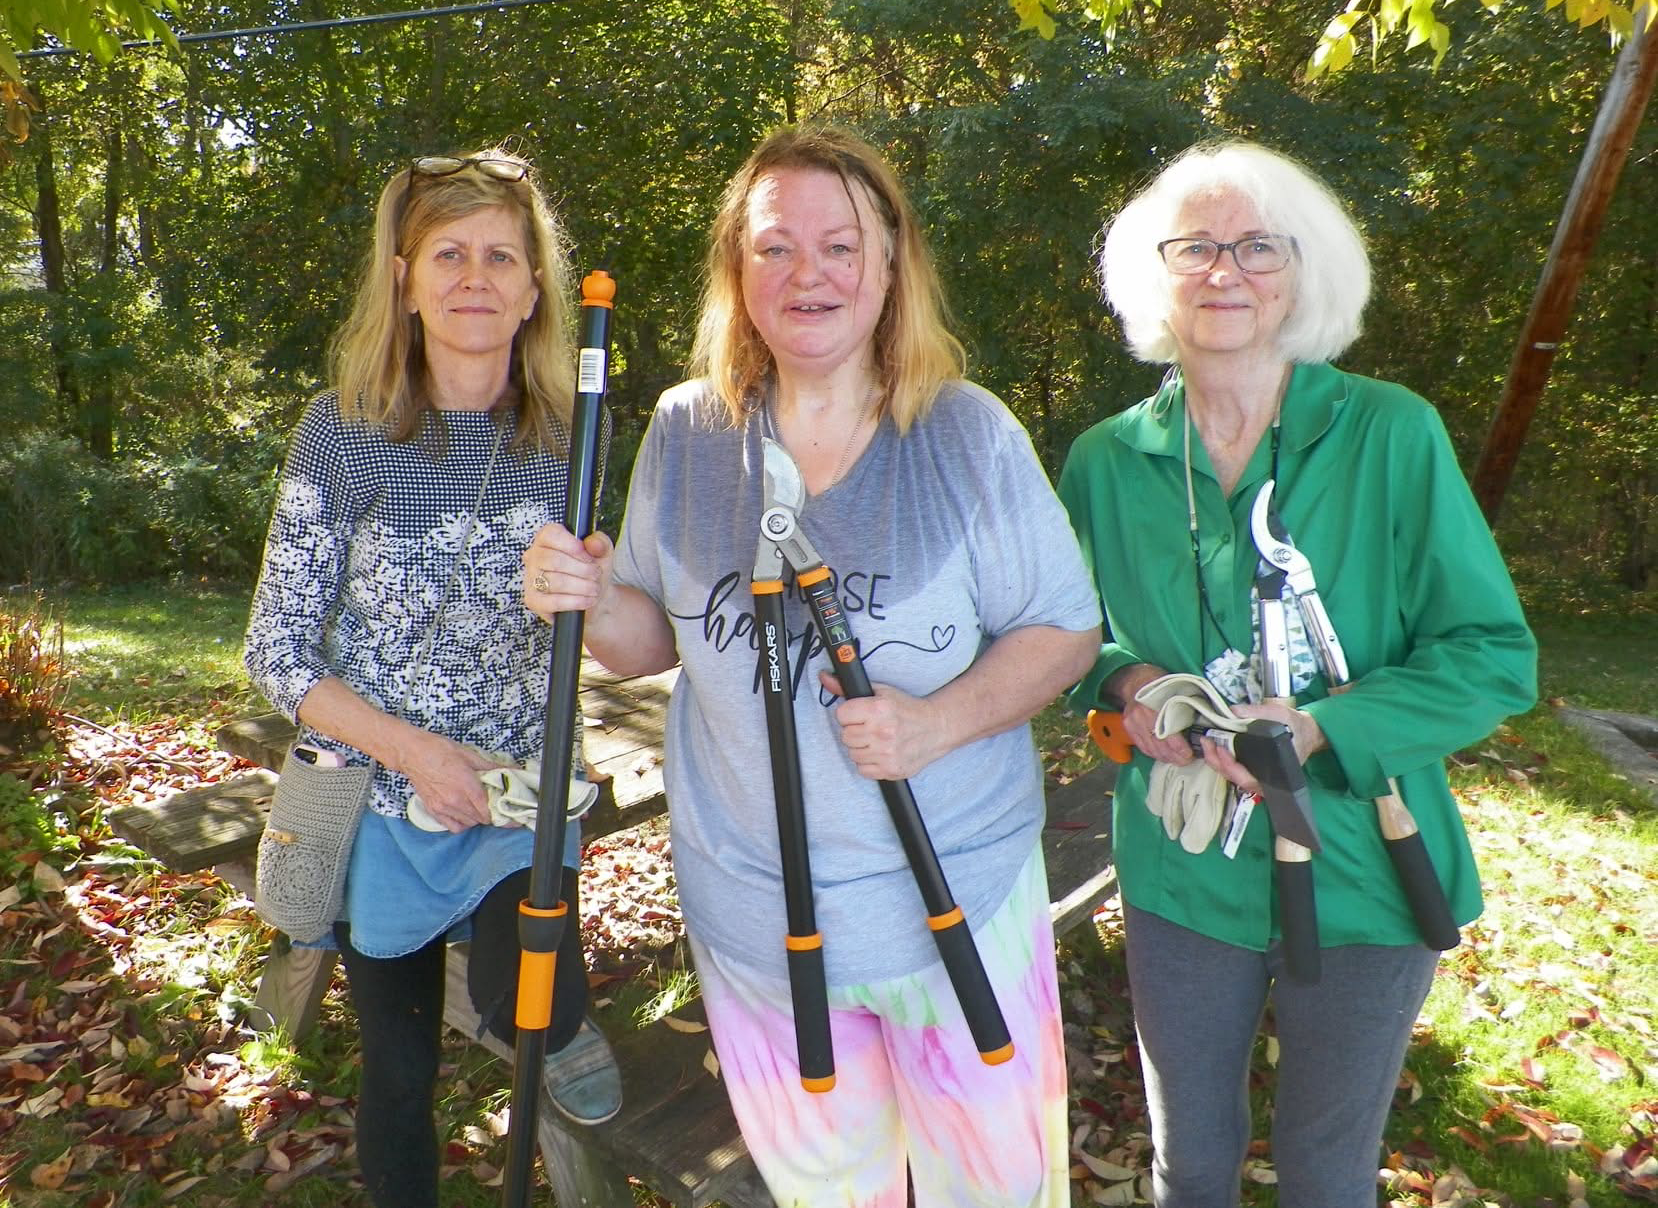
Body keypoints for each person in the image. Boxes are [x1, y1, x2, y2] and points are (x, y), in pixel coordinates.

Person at [524, 125, 1102, 1208]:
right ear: (738, 273)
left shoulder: (965, 434)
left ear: (891, 267)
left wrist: (934, 723)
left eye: (842, 246)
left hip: (958, 905)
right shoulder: (689, 432)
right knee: (830, 1193)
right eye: (776, 247)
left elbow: (1064, 634)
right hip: (755, 915)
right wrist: (596, 600)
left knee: (995, 1190)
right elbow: (658, 645)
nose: (810, 274)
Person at [1056, 141, 1537, 1208]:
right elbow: (1066, 638)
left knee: (1326, 1169)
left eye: (1257, 246)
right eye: (1193, 247)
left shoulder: (1390, 433)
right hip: (1183, 863)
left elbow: (1494, 655)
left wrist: (1324, 727)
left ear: (1300, 271)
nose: (1223, 271)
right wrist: (1133, 690)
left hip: (1368, 859)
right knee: (1192, 1160)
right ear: (1154, 273)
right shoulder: (1103, 460)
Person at [243, 148, 621, 1208]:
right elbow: (276, 644)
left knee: (530, 1005)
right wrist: (416, 754)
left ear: (537, 289)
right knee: (399, 1073)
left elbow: (605, 612)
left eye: (503, 254)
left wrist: (600, 585)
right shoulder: (344, 430)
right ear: (404, 280)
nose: (475, 275)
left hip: (515, 794)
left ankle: (565, 1025)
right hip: (379, 797)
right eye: (447, 252)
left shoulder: (572, 439)